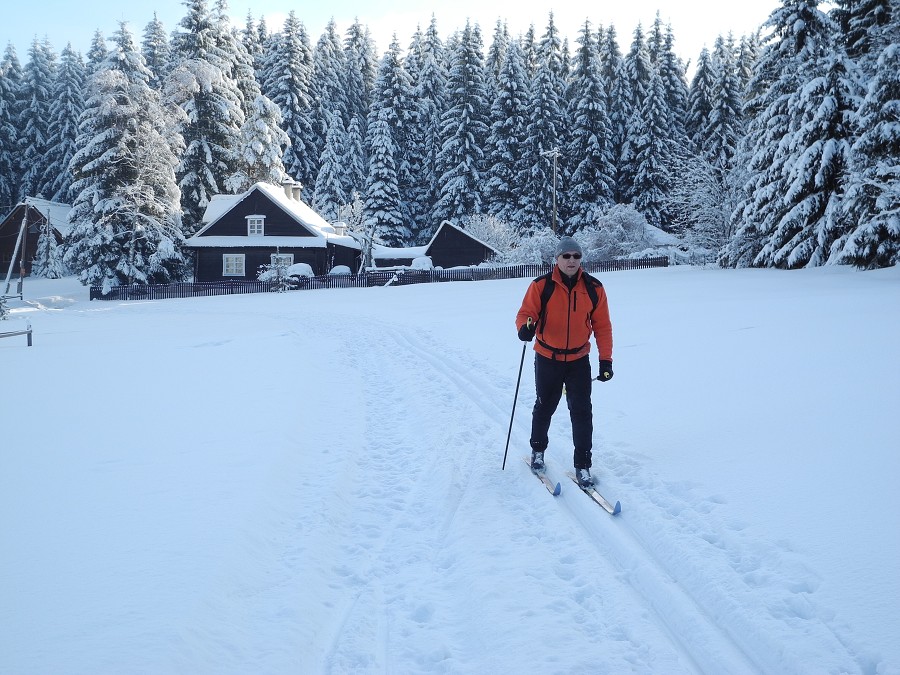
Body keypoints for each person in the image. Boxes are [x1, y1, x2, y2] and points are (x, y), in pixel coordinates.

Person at [515, 236, 613, 487]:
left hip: (579, 360)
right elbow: (526, 314)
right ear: (556, 259)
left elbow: (602, 326)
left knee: (582, 412)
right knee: (545, 406)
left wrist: (605, 360)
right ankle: (537, 451)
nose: (571, 260)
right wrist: (524, 329)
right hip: (548, 358)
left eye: (576, 256)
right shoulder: (541, 286)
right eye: (566, 256)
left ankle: (583, 466)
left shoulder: (594, 288)